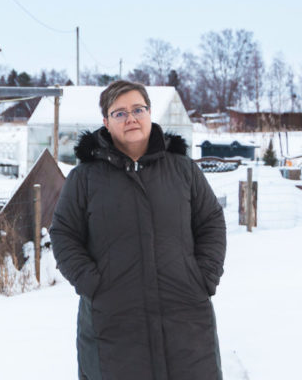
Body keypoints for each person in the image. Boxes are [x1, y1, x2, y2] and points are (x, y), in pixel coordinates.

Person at [50, 80, 227, 380]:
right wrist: (92, 284)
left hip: (185, 315)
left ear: (149, 113)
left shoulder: (182, 170)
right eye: (119, 113)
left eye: (137, 109)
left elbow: (210, 221)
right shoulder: (85, 178)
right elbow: (64, 234)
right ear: (106, 122)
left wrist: (204, 276)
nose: (130, 118)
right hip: (114, 320)